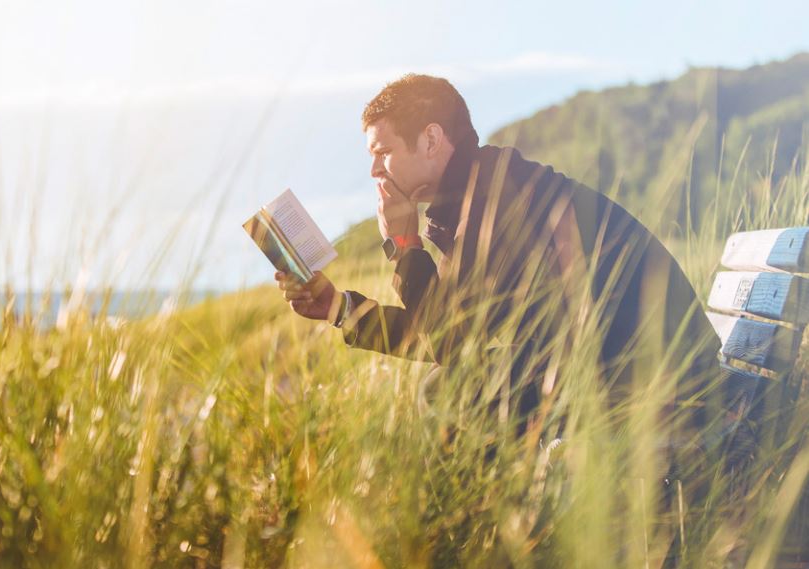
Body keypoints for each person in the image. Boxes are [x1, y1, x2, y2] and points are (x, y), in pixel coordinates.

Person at [274, 74, 725, 469]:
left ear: (431, 140)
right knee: (455, 385)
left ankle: (510, 538)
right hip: (629, 368)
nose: (373, 169)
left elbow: (447, 341)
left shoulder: (495, 199)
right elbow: (449, 329)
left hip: (665, 387)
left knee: (450, 390)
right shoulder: (480, 190)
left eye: (383, 151)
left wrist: (406, 246)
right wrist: (336, 306)